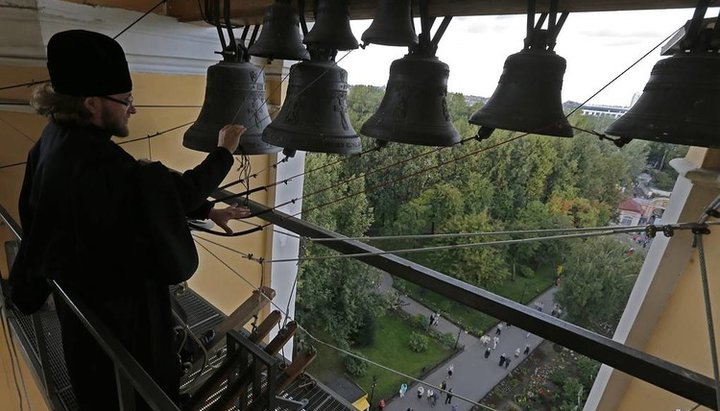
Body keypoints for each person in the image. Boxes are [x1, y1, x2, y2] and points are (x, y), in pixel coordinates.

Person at [8, 30, 249, 410]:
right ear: (91, 103)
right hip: (122, 322)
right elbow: (169, 194)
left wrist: (208, 210)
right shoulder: (98, 166)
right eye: (125, 101)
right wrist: (223, 154)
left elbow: (136, 199)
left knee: (96, 388)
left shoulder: (53, 143)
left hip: (82, 307)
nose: (131, 110)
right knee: (142, 392)